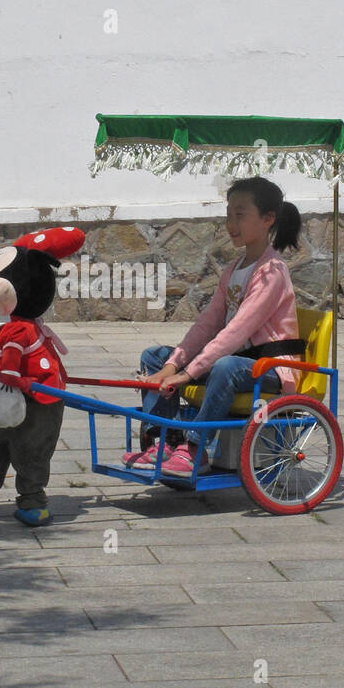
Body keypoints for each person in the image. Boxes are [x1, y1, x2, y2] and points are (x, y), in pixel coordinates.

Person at [124, 176, 304, 477]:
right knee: (153, 356)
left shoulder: (272, 272)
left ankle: (195, 449)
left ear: (267, 219)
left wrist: (187, 374)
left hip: (269, 366)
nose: (231, 223)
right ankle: (164, 441)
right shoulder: (234, 269)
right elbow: (207, 323)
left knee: (225, 365)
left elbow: (236, 333)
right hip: (236, 362)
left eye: (241, 214)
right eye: (229, 214)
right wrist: (172, 365)